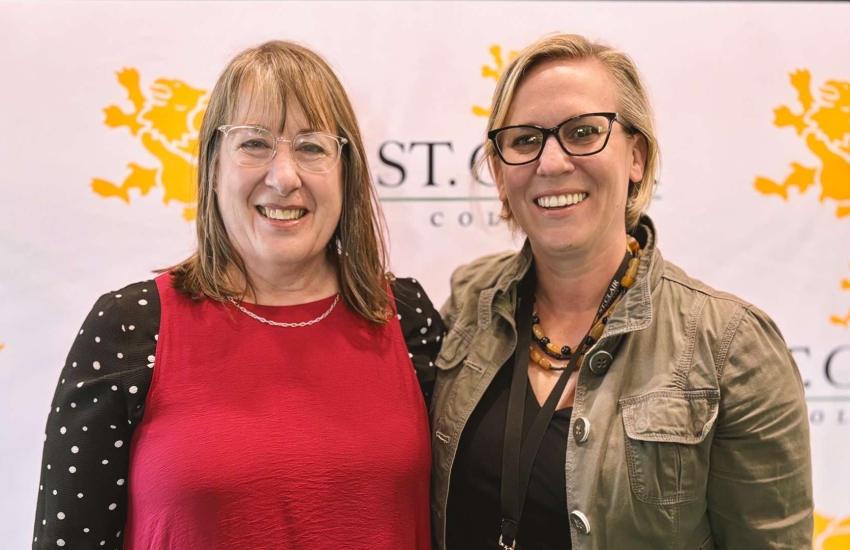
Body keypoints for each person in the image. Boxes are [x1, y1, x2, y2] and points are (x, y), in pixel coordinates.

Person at [33, 40, 442, 550]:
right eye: (254, 144)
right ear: (213, 165)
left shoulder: (405, 316)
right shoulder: (131, 327)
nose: (284, 176)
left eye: (312, 147)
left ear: (347, 171)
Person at [430, 33, 813, 550]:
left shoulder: (732, 347)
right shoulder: (468, 303)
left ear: (636, 157)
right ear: (499, 173)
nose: (551, 163)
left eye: (583, 132)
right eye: (524, 140)